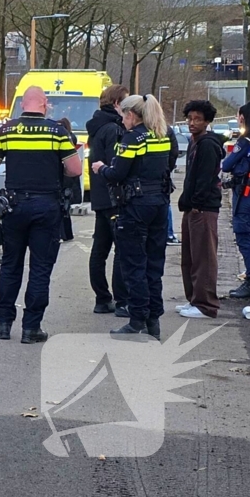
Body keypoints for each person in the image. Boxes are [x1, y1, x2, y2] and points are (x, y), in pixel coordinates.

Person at [0, 86, 82, 344]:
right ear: (44, 103)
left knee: (10, 264)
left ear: (22, 104)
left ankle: (3, 324)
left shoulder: (7, 130)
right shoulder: (57, 131)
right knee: (40, 268)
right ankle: (31, 328)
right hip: (46, 207)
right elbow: (75, 169)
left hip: (14, 207)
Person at [92, 94, 174, 338]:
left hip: (135, 206)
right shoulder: (162, 135)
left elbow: (118, 173)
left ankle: (137, 318)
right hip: (159, 204)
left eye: (123, 117)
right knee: (154, 264)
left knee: (134, 264)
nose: (122, 122)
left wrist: (101, 168)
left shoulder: (132, 138)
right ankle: (154, 320)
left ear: (130, 115)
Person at [177, 100, 224, 319]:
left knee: (204, 256)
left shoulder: (207, 145)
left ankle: (206, 305)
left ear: (207, 121)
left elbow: (205, 179)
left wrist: (196, 204)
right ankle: (194, 299)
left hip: (203, 209)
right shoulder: (195, 142)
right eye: (189, 118)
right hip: (192, 208)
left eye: (197, 119)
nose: (192, 123)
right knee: (191, 256)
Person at [85, 85, 129, 316]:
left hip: (101, 196)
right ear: (116, 104)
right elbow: (117, 164)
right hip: (114, 197)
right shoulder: (114, 129)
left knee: (100, 249)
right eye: (126, 101)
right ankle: (121, 300)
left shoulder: (97, 126)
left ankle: (102, 298)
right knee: (120, 249)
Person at [222, 101, 250, 299]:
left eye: (239, 115)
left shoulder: (244, 140)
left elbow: (228, 165)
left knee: (244, 235)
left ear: (242, 117)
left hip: (245, 194)